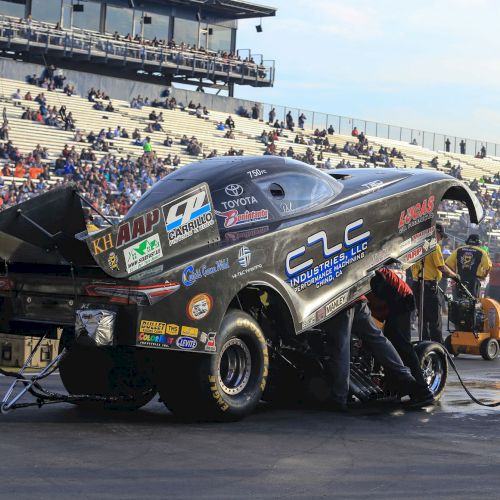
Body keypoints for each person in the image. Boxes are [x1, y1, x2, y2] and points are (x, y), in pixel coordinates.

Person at [323, 298, 434, 411]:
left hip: (341, 301)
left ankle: (339, 397)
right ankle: (407, 379)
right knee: (377, 338)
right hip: (357, 298)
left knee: (341, 347)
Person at [367, 267, 428, 391]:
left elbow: (387, 292)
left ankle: (421, 388)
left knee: (400, 343)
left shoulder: (374, 273)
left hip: (401, 300)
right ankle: (389, 384)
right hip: (385, 304)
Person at [411, 223, 460, 343]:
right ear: (435, 233)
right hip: (429, 286)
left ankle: (424, 345)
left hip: (417, 285)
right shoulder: (434, 245)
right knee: (434, 320)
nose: (441, 239)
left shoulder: (417, 244)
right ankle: (439, 347)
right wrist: (455, 276)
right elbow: (441, 267)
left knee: (422, 319)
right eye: (441, 235)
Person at [445, 234, 492, 298]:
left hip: (460, 279)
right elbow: (488, 267)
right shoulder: (481, 252)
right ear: (478, 242)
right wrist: (484, 276)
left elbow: (447, 264)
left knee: (458, 301)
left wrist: (454, 274)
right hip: (474, 280)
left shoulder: (459, 250)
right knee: (473, 302)